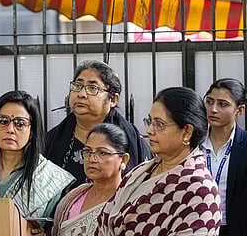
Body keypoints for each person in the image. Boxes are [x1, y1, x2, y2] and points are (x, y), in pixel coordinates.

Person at [96, 87, 221, 236]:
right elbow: (104, 222)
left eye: (159, 124)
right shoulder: (140, 172)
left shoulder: (200, 189)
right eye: (150, 121)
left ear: (187, 131)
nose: (149, 130)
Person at [0, 90, 75, 230]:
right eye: (3, 121)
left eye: (20, 123)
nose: (10, 129)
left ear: (32, 131)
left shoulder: (50, 178)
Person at [45, 60, 151, 189]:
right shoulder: (54, 139)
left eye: (92, 88)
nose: (81, 94)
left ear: (113, 100)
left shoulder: (130, 139)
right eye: (77, 85)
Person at [52, 123, 130, 236]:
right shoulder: (73, 198)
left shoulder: (129, 202)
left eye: (102, 153)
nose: (92, 159)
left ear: (123, 160)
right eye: (88, 151)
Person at [203, 78, 247, 236]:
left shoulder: (244, 145)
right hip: (197, 226)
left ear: (239, 110)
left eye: (223, 104)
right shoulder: (192, 143)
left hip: (233, 228)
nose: (213, 109)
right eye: (209, 102)